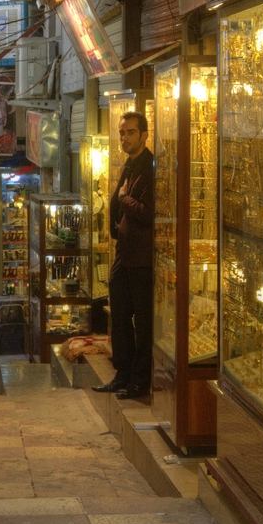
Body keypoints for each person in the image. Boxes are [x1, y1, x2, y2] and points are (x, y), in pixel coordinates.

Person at [97, 110, 154, 399]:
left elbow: (147, 213)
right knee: (119, 315)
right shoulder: (129, 165)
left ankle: (140, 380)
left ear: (144, 135)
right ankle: (123, 373)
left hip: (142, 257)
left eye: (130, 132)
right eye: (122, 133)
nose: (124, 138)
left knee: (142, 322)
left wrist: (124, 199)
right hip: (124, 251)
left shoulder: (150, 167)